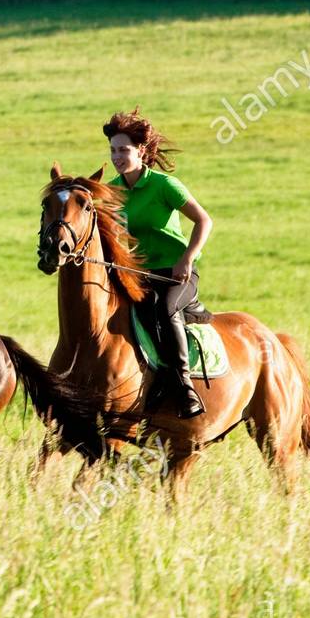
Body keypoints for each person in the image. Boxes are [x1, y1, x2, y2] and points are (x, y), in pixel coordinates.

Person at [103, 107, 213, 419]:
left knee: (163, 310)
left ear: (140, 150)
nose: (117, 157)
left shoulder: (165, 185)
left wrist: (187, 258)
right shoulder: (113, 190)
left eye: (123, 150)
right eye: (113, 151)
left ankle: (183, 384)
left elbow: (204, 221)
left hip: (176, 274)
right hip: (139, 275)